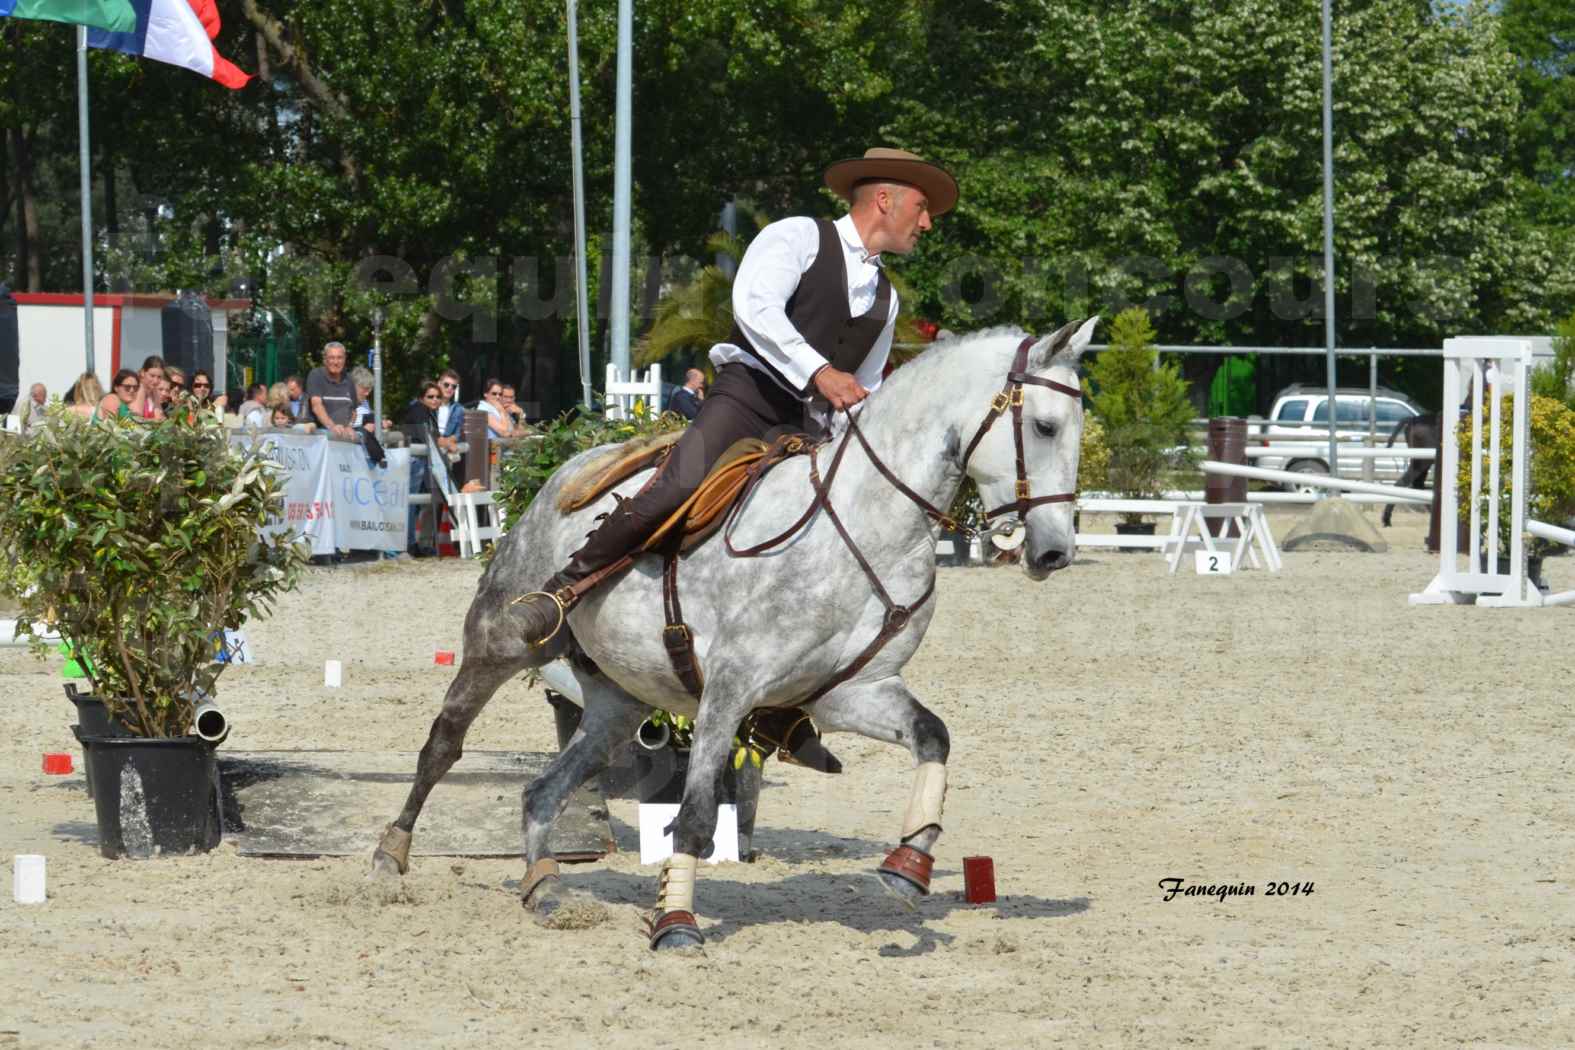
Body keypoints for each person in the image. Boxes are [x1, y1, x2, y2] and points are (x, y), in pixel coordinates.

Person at [513, 146, 957, 645]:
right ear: (883, 199)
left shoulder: (886, 298)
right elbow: (757, 308)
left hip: (810, 431)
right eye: (922, 209)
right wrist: (820, 372)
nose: (927, 224)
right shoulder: (798, 236)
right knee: (678, 485)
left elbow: (865, 388)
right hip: (746, 401)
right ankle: (561, 591)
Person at [404, 379, 447, 556]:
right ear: (422, 398)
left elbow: (434, 436)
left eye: (437, 397)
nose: (435, 400)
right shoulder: (418, 410)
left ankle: (414, 543)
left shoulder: (429, 413)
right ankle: (408, 544)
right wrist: (447, 442)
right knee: (410, 503)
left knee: (419, 504)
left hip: (422, 461)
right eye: (430, 397)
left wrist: (444, 440)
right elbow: (427, 437)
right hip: (414, 461)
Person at [306, 342, 356, 440]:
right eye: (332, 358)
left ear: (345, 359)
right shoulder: (316, 375)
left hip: (343, 441)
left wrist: (349, 427)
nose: (336, 362)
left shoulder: (349, 379)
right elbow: (316, 406)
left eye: (339, 357)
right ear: (325, 360)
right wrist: (332, 427)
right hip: (321, 440)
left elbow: (353, 411)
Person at [435, 369, 464, 448]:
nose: (450, 388)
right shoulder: (429, 404)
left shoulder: (459, 409)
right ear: (439, 384)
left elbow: (458, 433)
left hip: (447, 448)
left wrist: (446, 441)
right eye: (446, 385)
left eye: (453, 386)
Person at [134, 356, 167, 421]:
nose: (155, 381)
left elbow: (159, 416)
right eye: (152, 376)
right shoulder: (140, 389)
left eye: (159, 377)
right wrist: (156, 420)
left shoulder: (154, 391)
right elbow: (136, 420)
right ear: (143, 373)